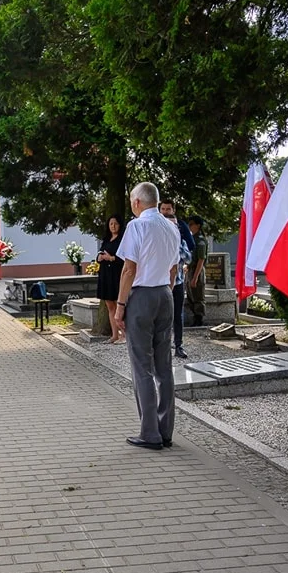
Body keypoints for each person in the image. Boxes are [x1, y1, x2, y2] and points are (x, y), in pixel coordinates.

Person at [113, 182, 181, 451]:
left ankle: (149, 432)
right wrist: (166, 290)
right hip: (165, 293)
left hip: (142, 295)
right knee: (163, 366)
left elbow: (129, 268)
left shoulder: (137, 225)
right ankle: (166, 430)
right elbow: (175, 268)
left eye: (132, 201)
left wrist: (120, 306)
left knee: (141, 365)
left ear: (138, 202)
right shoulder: (171, 227)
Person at [160, 201, 191, 358]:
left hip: (177, 282)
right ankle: (162, 346)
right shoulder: (158, 240)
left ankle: (178, 345)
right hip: (160, 283)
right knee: (161, 315)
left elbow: (188, 257)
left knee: (177, 314)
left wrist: (176, 244)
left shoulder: (181, 241)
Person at [96, 215, 126, 344]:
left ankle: (124, 334)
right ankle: (115, 335)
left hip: (117, 273)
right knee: (109, 305)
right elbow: (100, 252)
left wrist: (111, 258)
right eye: (111, 224)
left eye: (115, 224)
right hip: (105, 274)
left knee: (118, 303)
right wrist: (100, 257)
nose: (113, 226)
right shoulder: (107, 239)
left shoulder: (122, 240)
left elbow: (124, 258)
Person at [186, 215, 208, 326]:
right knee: (191, 295)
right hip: (190, 269)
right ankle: (195, 317)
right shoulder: (192, 238)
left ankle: (199, 319)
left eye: (191, 224)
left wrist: (195, 277)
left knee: (198, 296)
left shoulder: (200, 240)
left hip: (197, 270)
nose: (189, 227)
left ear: (198, 226)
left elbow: (201, 259)